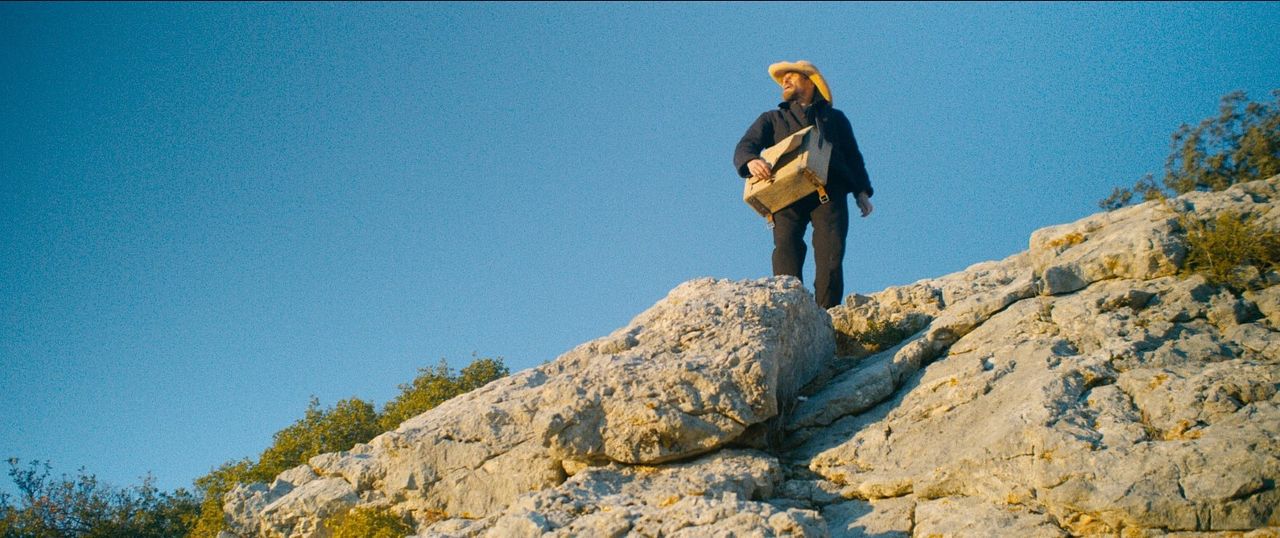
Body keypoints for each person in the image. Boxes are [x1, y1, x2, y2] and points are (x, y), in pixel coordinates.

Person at [733, 60, 874, 309]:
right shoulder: (772, 118)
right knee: (786, 248)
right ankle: (790, 309)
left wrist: (861, 191)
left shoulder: (835, 119)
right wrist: (751, 161)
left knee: (831, 255)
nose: (784, 81)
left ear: (810, 82)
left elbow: (853, 156)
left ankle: (827, 314)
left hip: (830, 191)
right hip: (785, 194)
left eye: (792, 76)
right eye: (783, 78)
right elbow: (746, 145)